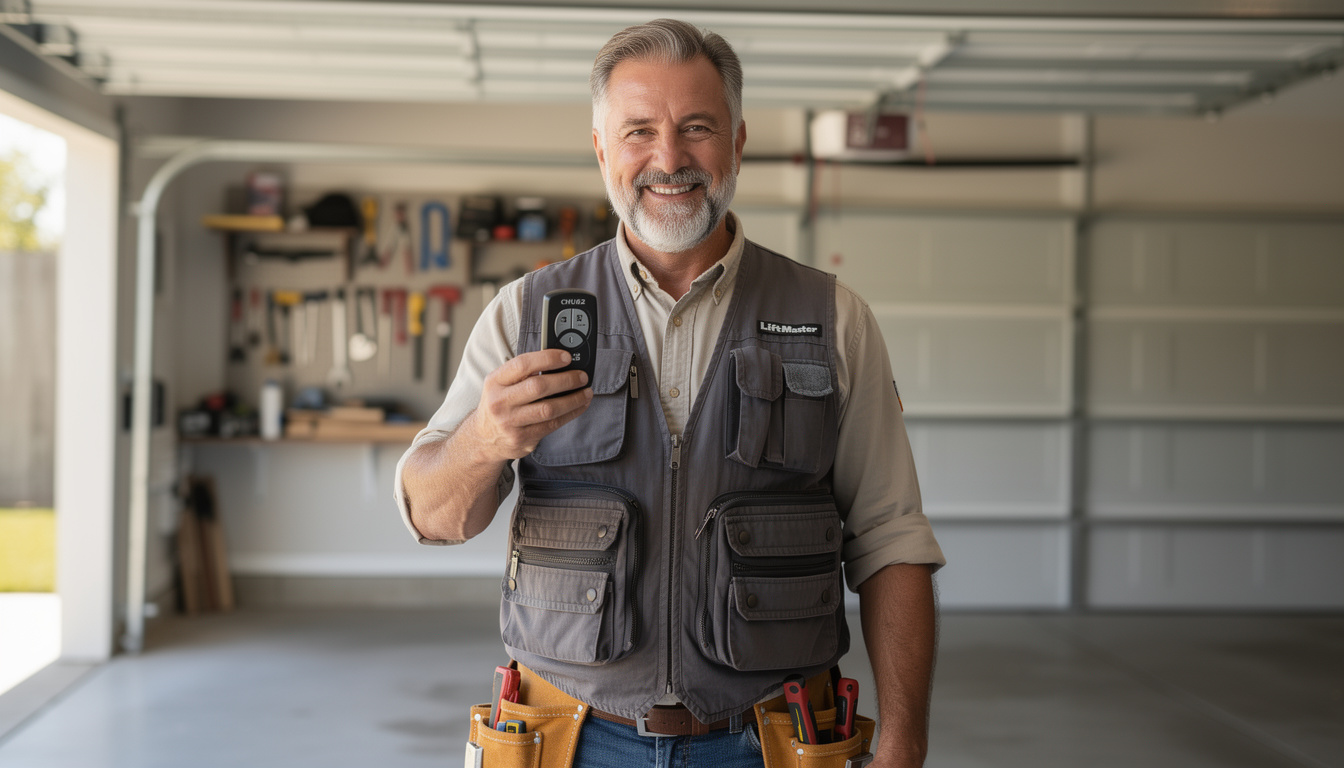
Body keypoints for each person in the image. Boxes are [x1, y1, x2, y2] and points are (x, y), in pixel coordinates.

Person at [395, 18, 944, 768]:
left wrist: (905, 741)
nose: (669, 158)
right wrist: (483, 441)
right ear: (601, 149)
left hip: (773, 739)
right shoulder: (522, 313)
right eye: (639, 132)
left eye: (697, 128)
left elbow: (891, 538)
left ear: (737, 142)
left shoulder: (833, 318)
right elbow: (434, 517)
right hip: (570, 739)